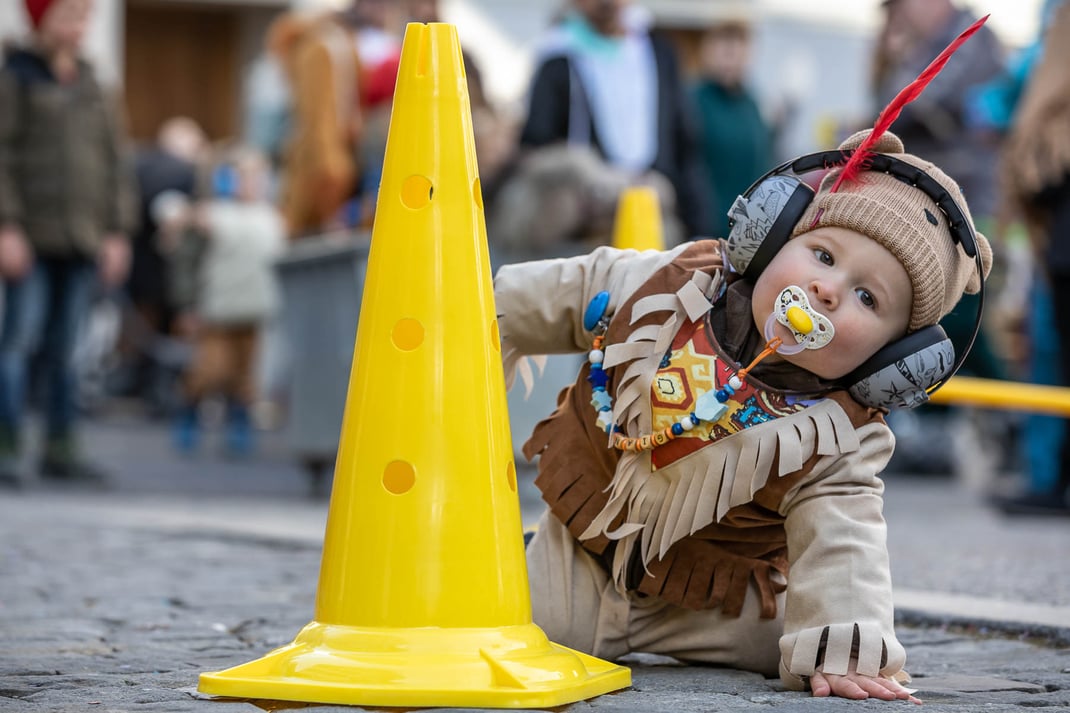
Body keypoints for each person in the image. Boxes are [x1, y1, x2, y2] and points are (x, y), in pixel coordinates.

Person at [494, 124, 992, 700]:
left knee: (801, 640)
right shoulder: (670, 287)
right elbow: (569, 288)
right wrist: (473, 302)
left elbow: (844, 535)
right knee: (509, 617)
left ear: (890, 360)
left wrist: (842, 643)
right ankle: (534, 567)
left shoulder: (842, 433)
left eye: (867, 298)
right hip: (581, 553)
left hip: (718, 600)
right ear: (770, 238)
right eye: (823, 255)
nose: (827, 290)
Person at [0, 0, 136, 487]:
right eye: (69, 17)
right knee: (16, 342)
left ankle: (61, 447)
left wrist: (118, 230)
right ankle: (7, 444)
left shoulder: (94, 81)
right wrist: (7, 226)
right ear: (43, 21)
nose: (79, 27)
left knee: (67, 349)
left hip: (83, 236)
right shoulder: (16, 75)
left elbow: (115, 161)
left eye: (84, 17)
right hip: (30, 236)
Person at [511, 0, 710, 244]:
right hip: (588, 224)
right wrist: (585, 170)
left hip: (654, 214)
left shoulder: (658, 53)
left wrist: (700, 228)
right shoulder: (558, 58)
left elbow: (684, 145)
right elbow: (535, 144)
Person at [997, 0, 1070, 515]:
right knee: (1047, 348)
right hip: (1059, 220)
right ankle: (1045, 477)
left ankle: (1047, 477)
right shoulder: (1055, 24)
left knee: (1052, 349)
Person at [163, 149, 285, 457]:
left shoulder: (272, 217)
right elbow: (186, 263)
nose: (252, 183)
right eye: (245, 176)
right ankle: (189, 412)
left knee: (245, 377)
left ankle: (239, 424)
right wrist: (187, 304)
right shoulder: (210, 215)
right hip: (217, 309)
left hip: (256, 309)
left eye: (258, 177)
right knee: (208, 371)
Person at [690, 18, 773, 240]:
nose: (731, 60)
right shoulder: (692, 99)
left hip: (745, 228)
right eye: (724, 51)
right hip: (701, 228)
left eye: (738, 52)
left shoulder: (752, 103)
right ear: (707, 51)